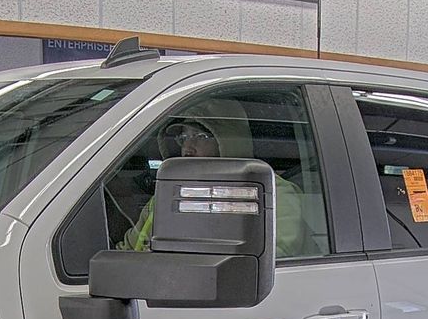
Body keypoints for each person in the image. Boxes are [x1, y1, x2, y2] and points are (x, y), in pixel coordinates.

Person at [117, 98, 308, 256]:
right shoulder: (168, 193)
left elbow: (276, 257)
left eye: (201, 136)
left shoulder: (272, 192)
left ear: (227, 140)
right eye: (183, 138)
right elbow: (127, 250)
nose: (188, 147)